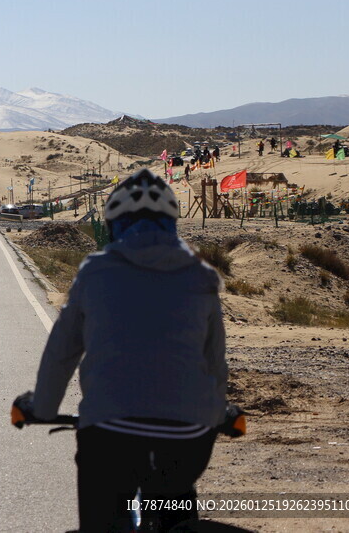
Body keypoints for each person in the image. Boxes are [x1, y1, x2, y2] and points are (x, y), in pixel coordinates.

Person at [14, 169, 228, 533]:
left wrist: (44, 407)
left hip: (111, 430)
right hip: (188, 435)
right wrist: (216, 409)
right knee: (176, 497)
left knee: (104, 520)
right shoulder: (201, 275)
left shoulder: (96, 272)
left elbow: (61, 353)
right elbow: (214, 363)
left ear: (114, 224)